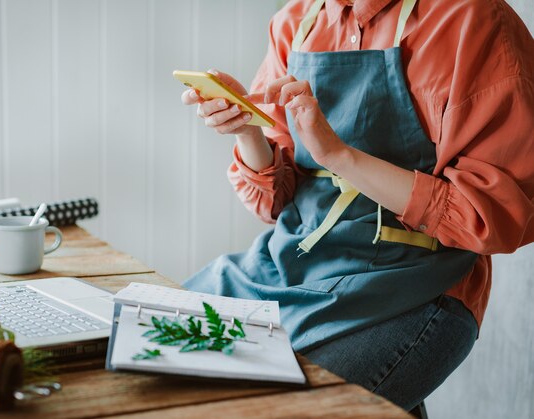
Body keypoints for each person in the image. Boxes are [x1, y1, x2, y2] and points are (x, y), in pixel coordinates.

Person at [181, 0, 534, 410]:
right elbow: (274, 201)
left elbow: (496, 214)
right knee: (148, 338)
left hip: (414, 286)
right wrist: (247, 131)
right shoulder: (296, 21)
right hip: (290, 270)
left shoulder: (469, 18)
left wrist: (338, 154)